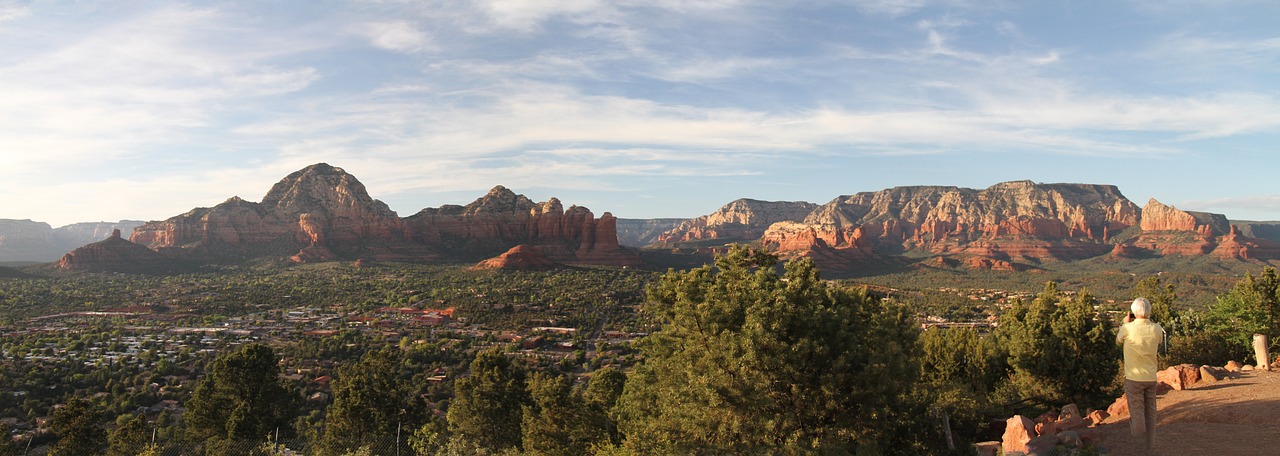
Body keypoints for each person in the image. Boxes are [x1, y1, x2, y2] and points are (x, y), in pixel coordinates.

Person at [1116, 297, 1165, 453]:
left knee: (1137, 414)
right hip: (1151, 378)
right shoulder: (1157, 328)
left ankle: (1138, 449)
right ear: (1149, 311)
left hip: (1133, 378)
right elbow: (1159, 339)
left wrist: (1125, 323)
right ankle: (1149, 448)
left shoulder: (1128, 328)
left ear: (1134, 312)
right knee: (1150, 413)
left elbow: (1118, 341)